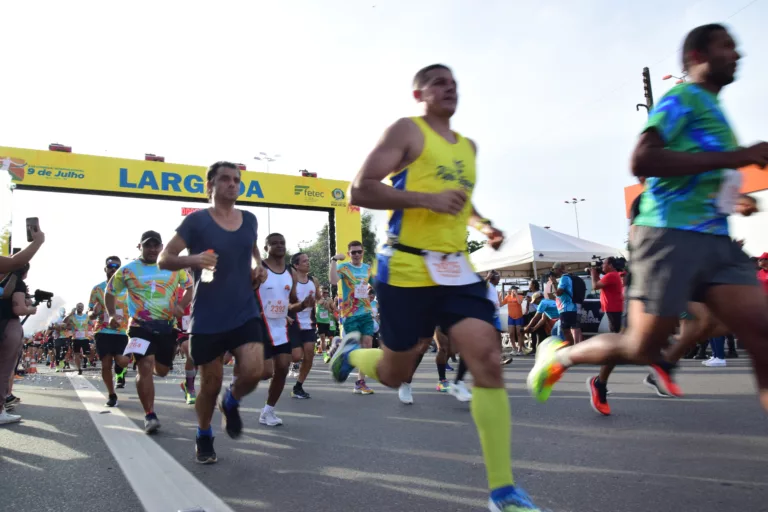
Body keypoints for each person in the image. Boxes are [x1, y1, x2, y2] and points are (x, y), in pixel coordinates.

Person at [528, 24, 768, 415]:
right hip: (669, 236)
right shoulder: (682, 98)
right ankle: (560, 357)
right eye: (727, 47)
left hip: (717, 242)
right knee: (640, 346)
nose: (737, 54)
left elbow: (704, 176)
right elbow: (642, 160)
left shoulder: (714, 109)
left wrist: (736, 199)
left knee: (761, 333)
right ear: (696, 57)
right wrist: (737, 157)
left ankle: (666, 363)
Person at [337, 63, 539, 511]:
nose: (450, 88)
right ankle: (351, 353)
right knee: (395, 373)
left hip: (456, 270)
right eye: (439, 82)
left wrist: (484, 225)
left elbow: (460, 201)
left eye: (454, 83)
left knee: (486, 356)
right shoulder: (406, 132)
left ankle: (503, 491)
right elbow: (360, 190)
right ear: (418, 94)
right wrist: (424, 200)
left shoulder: (469, 148)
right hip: (406, 265)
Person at [158, 161, 268, 464]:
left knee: (254, 370)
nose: (233, 184)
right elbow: (165, 259)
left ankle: (230, 402)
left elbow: (252, 248)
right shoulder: (196, 223)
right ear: (210, 186)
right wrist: (194, 259)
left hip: (244, 310)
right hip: (207, 316)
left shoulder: (250, 220)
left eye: (236, 180)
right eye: (225, 179)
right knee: (209, 383)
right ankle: (204, 432)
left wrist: (257, 267)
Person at [107, 231, 192, 433]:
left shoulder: (174, 266)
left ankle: (155, 365)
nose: (152, 249)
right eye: (148, 246)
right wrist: (112, 314)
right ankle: (149, 414)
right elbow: (110, 292)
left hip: (166, 327)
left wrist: (181, 305)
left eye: (156, 245)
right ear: (140, 247)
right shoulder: (127, 270)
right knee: (145, 366)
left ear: (162, 247)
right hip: (139, 326)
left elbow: (190, 286)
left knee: (161, 371)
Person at [255, 233, 295, 425]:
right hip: (260, 326)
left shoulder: (290, 272)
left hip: (280, 327)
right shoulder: (259, 269)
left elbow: (291, 302)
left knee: (283, 367)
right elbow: (245, 295)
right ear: (266, 248)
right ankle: (239, 380)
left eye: (282, 243)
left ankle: (268, 411)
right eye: (274, 243)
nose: (280, 246)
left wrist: (303, 306)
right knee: (264, 373)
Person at [329, 241, 375, 395]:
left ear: (363, 252)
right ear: (349, 254)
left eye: (359, 252)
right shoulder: (344, 267)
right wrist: (334, 260)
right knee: (354, 346)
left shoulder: (367, 268)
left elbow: (376, 284)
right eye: (353, 252)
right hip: (350, 313)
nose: (356, 254)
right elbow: (333, 280)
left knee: (366, 347)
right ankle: (338, 343)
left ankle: (360, 382)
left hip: (366, 312)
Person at [89, 256, 130, 405]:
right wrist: (93, 313)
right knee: (106, 364)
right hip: (103, 330)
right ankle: (112, 395)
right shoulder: (98, 289)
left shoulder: (128, 288)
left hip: (122, 331)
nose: (113, 269)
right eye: (111, 266)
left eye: (117, 267)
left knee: (123, 361)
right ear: (105, 269)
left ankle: (120, 369)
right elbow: (90, 312)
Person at [0, 264, 35, 424]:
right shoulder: (17, 284)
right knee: (4, 371)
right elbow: (18, 309)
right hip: (8, 327)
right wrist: (31, 309)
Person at [289, 252, 319, 399]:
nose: (308, 263)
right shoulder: (291, 283)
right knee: (296, 356)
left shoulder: (314, 280)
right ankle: (278, 359)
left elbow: (318, 298)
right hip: (293, 323)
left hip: (309, 324)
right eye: (304, 261)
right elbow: (285, 302)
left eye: (308, 260)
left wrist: (322, 303)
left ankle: (298, 386)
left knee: (309, 355)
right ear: (296, 265)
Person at [550, 263, 582, 345]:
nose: (553, 271)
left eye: (554, 269)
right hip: (574, 306)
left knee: (566, 330)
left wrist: (553, 282)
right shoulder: (570, 277)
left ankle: (571, 348)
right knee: (575, 328)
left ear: (559, 269)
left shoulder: (563, 278)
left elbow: (559, 293)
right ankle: (576, 347)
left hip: (566, 308)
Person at [67, 303, 91, 376]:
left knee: (87, 354)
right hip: (76, 339)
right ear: (76, 308)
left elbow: (92, 324)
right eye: (78, 307)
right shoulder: (72, 316)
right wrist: (71, 313)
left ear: (83, 308)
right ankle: (79, 369)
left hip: (85, 338)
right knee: (76, 354)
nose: (80, 308)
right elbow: (65, 321)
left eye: (81, 307)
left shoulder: (86, 316)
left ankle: (83, 357)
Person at [316, 286, 337, 358]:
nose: (325, 294)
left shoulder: (330, 300)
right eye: (324, 292)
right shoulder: (317, 299)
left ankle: (332, 351)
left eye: (327, 293)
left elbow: (332, 311)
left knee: (331, 337)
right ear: (320, 292)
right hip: (319, 321)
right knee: (322, 338)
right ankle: (325, 355)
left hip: (327, 321)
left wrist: (328, 307)